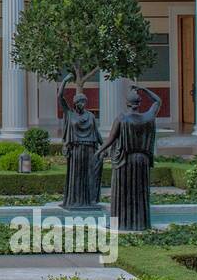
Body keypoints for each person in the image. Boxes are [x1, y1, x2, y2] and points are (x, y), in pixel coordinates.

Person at [95, 84, 162, 231]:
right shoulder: (149, 117)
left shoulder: (121, 118)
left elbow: (111, 138)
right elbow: (158, 101)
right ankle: (140, 223)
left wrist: (100, 150)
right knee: (140, 193)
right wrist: (144, 89)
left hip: (125, 161)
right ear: (139, 103)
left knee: (122, 193)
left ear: (127, 104)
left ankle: (119, 223)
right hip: (142, 160)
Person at [58, 73, 102, 208]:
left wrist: (104, 147)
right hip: (76, 149)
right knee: (76, 175)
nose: (82, 104)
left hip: (90, 148)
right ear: (75, 103)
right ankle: (75, 200)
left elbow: (96, 132)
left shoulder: (90, 116)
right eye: (80, 102)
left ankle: (90, 200)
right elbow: (60, 97)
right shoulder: (70, 113)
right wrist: (64, 81)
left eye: (84, 101)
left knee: (90, 174)